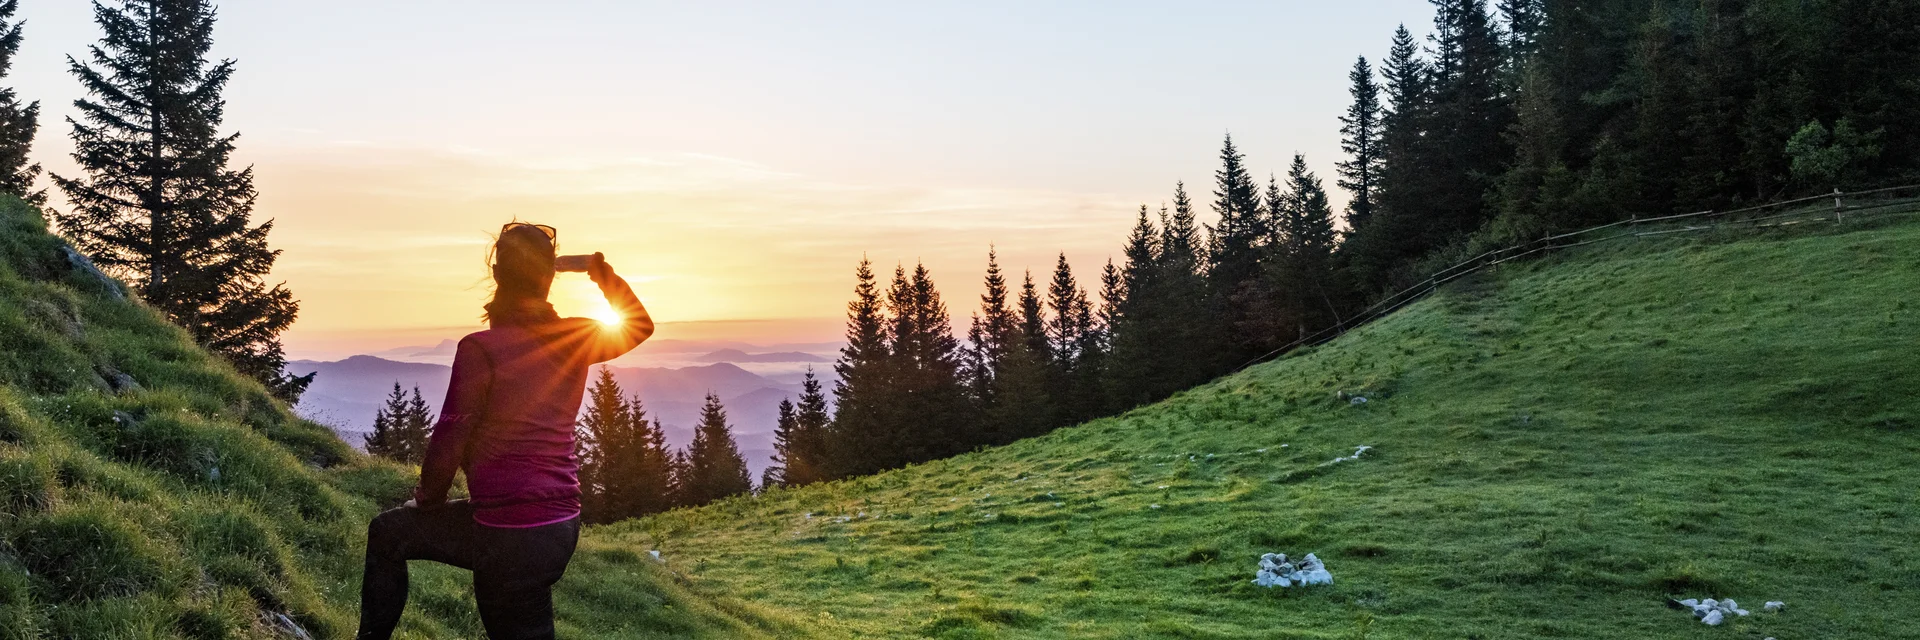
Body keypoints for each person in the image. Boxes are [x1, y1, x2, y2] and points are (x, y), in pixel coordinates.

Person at [357, 222, 654, 639]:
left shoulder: (479, 350)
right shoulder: (575, 337)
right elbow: (640, 326)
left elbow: (451, 437)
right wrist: (598, 271)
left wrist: (427, 501)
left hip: (508, 533)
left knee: (389, 533)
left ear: (496, 276)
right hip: (560, 526)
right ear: (550, 278)